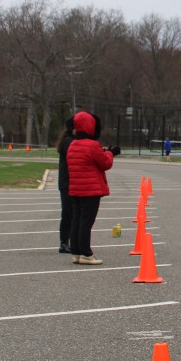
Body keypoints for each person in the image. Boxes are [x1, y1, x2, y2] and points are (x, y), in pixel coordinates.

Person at [67, 112, 119, 265]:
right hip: (90, 190)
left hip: (76, 188)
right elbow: (105, 163)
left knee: (76, 220)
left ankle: (76, 252)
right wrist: (110, 153)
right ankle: (86, 253)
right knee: (86, 222)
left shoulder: (72, 145)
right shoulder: (92, 145)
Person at [55, 117, 75, 253]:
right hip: (67, 182)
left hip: (70, 182)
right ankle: (64, 242)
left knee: (72, 214)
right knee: (68, 213)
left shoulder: (70, 140)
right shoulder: (68, 142)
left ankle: (70, 241)